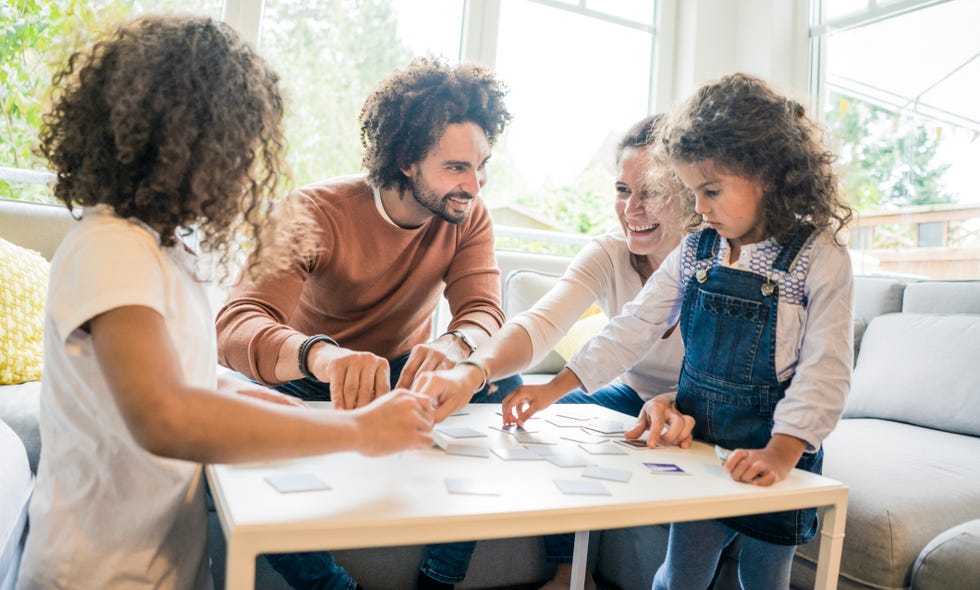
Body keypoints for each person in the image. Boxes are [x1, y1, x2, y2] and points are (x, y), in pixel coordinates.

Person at [16, 15, 436, 590]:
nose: (243, 166)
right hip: (95, 571)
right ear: (189, 144)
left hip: (160, 561)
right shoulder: (109, 247)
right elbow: (166, 414)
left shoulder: (161, 246)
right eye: (238, 143)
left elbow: (184, 368)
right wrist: (359, 432)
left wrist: (255, 396)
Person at [501, 72, 855, 590]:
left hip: (777, 454)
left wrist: (781, 451)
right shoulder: (697, 250)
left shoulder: (820, 257)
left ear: (770, 174)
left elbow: (826, 368)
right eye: (692, 193)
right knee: (678, 576)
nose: (700, 208)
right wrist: (556, 387)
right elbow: (634, 326)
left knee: (765, 581)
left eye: (710, 191)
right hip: (700, 450)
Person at [215, 56, 520, 590]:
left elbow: (484, 313)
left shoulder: (469, 214)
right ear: (406, 159)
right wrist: (323, 355)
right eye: (455, 168)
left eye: (482, 165)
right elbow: (238, 322)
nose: (474, 186)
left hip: (402, 375)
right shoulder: (312, 210)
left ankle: (438, 579)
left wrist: (455, 345)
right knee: (235, 410)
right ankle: (331, 586)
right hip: (306, 371)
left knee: (502, 379)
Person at [414, 113, 692, 588]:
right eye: (623, 190)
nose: (632, 209)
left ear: (688, 196)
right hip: (631, 396)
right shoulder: (609, 253)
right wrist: (472, 372)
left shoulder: (717, 261)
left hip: (703, 408)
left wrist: (678, 402)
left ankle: (571, 574)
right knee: (524, 418)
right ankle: (473, 577)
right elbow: (539, 324)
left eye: (650, 192)